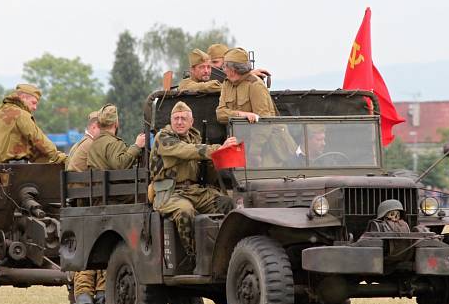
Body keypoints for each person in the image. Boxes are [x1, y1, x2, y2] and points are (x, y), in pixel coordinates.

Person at [150, 101, 237, 273]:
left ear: (191, 122)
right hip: (170, 192)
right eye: (176, 118)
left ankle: (226, 253)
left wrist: (214, 162)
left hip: (195, 190)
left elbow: (204, 167)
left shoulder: (196, 138)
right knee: (185, 211)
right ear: (171, 120)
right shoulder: (164, 138)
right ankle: (194, 256)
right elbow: (185, 151)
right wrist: (218, 149)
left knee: (227, 203)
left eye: (184, 118)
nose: (179, 122)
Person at [216, 48, 295, 166]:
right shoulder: (227, 84)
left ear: (232, 70)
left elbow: (264, 122)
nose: (224, 70)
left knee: (264, 181)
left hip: (268, 146)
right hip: (242, 144)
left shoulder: (255, 85)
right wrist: (242, 114)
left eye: (225, 67)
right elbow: (220, 114)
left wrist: (255, 153)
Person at [65, 109, 103, 304]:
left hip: (80, 209)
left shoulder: (78, 145)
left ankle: (85, 301)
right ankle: (99, 302)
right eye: (106, 129)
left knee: (86, 261)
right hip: (92, 208)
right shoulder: (92, 146)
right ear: (95, 127)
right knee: (103, 260)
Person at [0, 83, 67, 164]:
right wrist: (59, 157)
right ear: (23, 98)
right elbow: (39, 140)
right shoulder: (21, 115)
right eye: (33, 103)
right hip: (17, 172)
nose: (35, 107)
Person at [86, 104, 146, 172]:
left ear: (99, 125)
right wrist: (137, 146)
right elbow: (120, 165)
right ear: (116, 123)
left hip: (98, 182)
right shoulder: (114, 143)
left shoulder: (93, 145)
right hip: (116, 182)